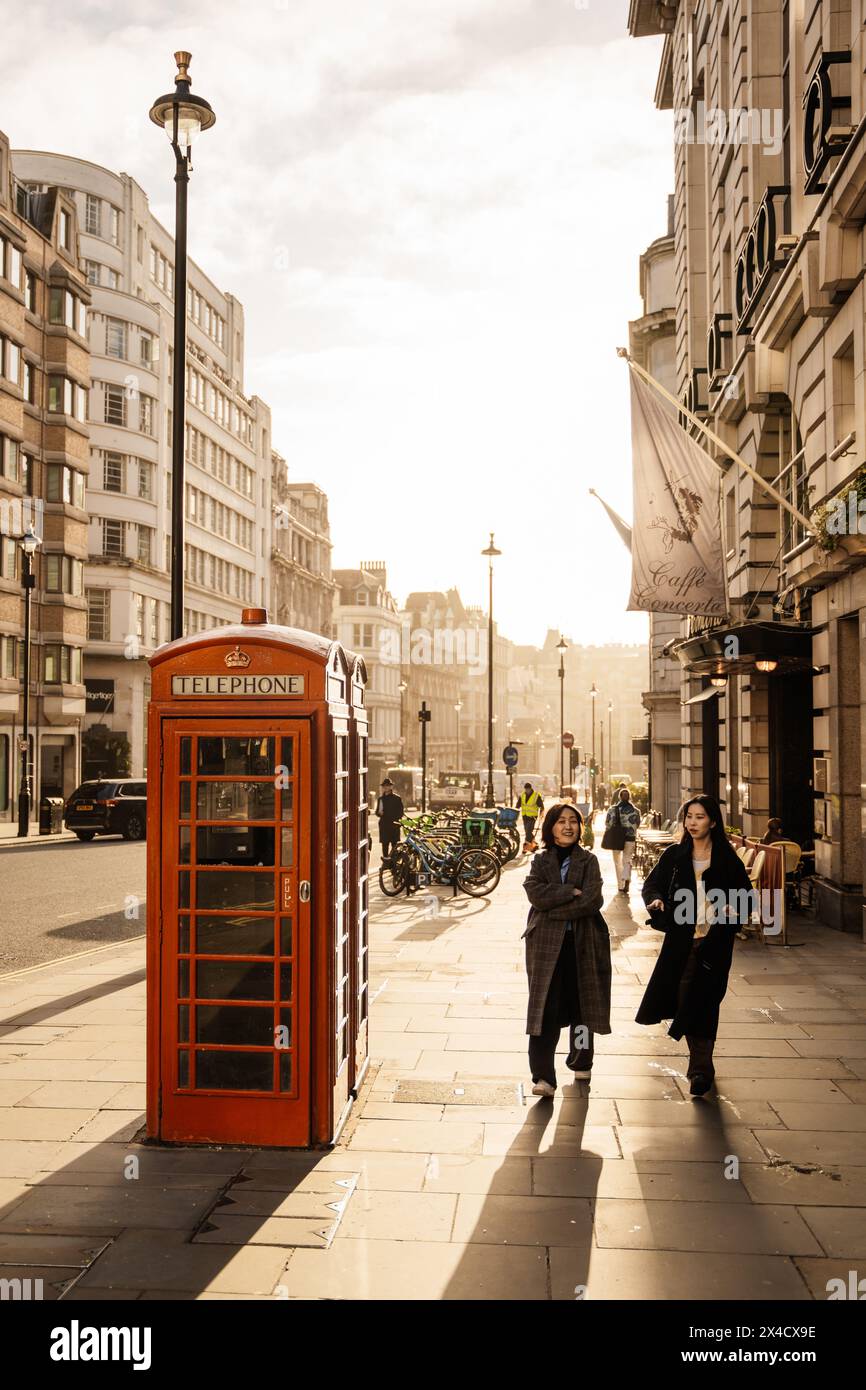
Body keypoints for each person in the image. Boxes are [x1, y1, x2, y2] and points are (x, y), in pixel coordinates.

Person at [637, 794, 752, 1097]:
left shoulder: (727, 858)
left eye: (700, 817)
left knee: (708, 999)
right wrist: (656, 900)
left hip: (715, 941)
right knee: (687, 996)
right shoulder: (675, 855)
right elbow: (651, 885)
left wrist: (733, 909)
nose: (692, 822)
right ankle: (700, 1068)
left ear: (713, 821)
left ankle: (701, 1066)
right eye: (689, 816)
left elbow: (747, 895)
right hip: (682, 940)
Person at [522, 802, 612, 1095]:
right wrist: (566, 892)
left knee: (582, 1009)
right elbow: (535, 893)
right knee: (544, 1010)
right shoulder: (540, 861)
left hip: (584, 943)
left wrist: (555, 908)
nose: (568, 826)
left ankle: (581, 1059)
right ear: (551, 827)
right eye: (561, 821)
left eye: (573, 821)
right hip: (546, 947)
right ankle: (543, 1077)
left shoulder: (589, 861)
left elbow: (591, 900)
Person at [602, 785, 641, 894]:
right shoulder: (636, 811)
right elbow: (637, 824)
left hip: (616, 839)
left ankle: (621, 884)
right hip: (630, 838)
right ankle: (627, 879)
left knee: (617, 862)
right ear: (629, 797)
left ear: (619, 797)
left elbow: (607, 824)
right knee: (627, 860)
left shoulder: (612, 810)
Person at [374, 779, 404, 863]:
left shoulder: (397, 798)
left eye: (387, 785)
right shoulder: (381, 799)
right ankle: (386, 861)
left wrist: (397, 820)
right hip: (384, 824)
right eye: (384, 786)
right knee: (385, 844)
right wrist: (379, 813)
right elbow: (377, 812)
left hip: (394, 824)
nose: (386, 787)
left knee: (394, 844)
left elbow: (401, 812)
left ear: (391, 786)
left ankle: (394, 862)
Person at [517, 782, 544, 852]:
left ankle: (525, 848)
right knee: (527, 831)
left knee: (529, 831)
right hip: (525, 816)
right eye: (526, 789)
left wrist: (541, 812)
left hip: (532, 816)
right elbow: (518, 804)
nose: (527, 790)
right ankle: (534, 844)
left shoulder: (536, 795)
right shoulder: (522, 795)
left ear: (530, 788)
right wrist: (515, 810)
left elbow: (541, 805)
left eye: (528, 789)